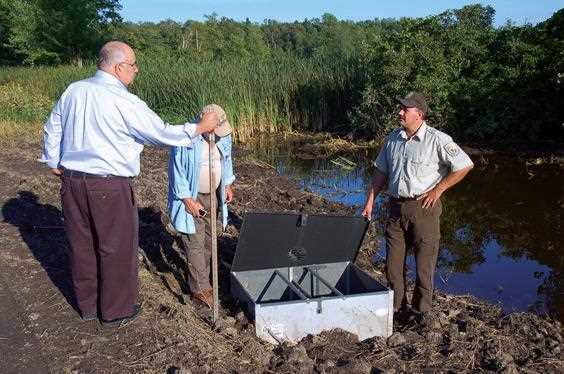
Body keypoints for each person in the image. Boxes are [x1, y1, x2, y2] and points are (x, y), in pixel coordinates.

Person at [40, 41, 219, 326]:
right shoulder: (124, 100)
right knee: (116, 247)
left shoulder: (75, 90)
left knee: (81, 244)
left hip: (73, 182)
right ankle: (116, 311)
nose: (136, 71)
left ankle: (87, 307)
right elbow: (160, 133)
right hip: (110, 186)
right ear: (119, 66)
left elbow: (53, 126)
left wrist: (53, 160)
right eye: (133, 65)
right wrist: (199, 128)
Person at [362, 91, 474, 316]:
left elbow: (464, 165)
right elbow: (381, 172)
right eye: (400, 108)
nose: (400, 112)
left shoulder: (437, 139)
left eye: (405, 109)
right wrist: (370, 200)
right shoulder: (393, 138)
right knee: (393, 266)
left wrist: (438, 190)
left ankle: (422, 313)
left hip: (424, 209)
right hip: (395, 208)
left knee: (424, 266)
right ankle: (397, 308)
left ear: (419, 114)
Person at [167, 104, 235, 309]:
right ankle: (200, 289)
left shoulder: (223, 138)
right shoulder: (186, 140)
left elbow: (228, 160)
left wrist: (228, 183)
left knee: (209, 239)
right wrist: (187, 200)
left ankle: (203, 279)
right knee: (194, 242)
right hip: (192, 196)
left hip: (213, 195)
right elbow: (176, 172)